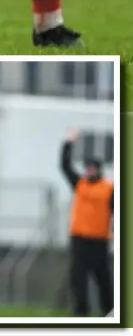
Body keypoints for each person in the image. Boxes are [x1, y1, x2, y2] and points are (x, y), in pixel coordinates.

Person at [60, 129, 114, 317]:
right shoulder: (80, 184)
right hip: (80, 239)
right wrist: (68, 144)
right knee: (78, 279)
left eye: (92, 167)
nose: (89, 170)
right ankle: (81, 312)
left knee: (103, 279)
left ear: (98, 169)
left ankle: (108, 312)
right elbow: (65, 166)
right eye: (87, 167)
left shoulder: (108, 188)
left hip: (99, 240)